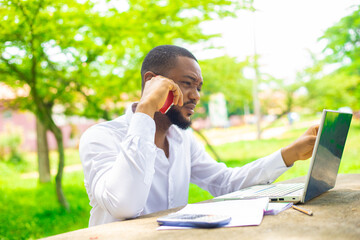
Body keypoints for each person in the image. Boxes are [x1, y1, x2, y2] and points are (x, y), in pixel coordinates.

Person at [79, 45, 318, 227]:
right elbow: (125, 206)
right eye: (187, 84)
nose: (195, 96)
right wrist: (146, 110)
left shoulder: (182, 140)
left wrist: (290, 154)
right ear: (151, 81)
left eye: (199, 88)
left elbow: (226, 184)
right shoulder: (100, 137)